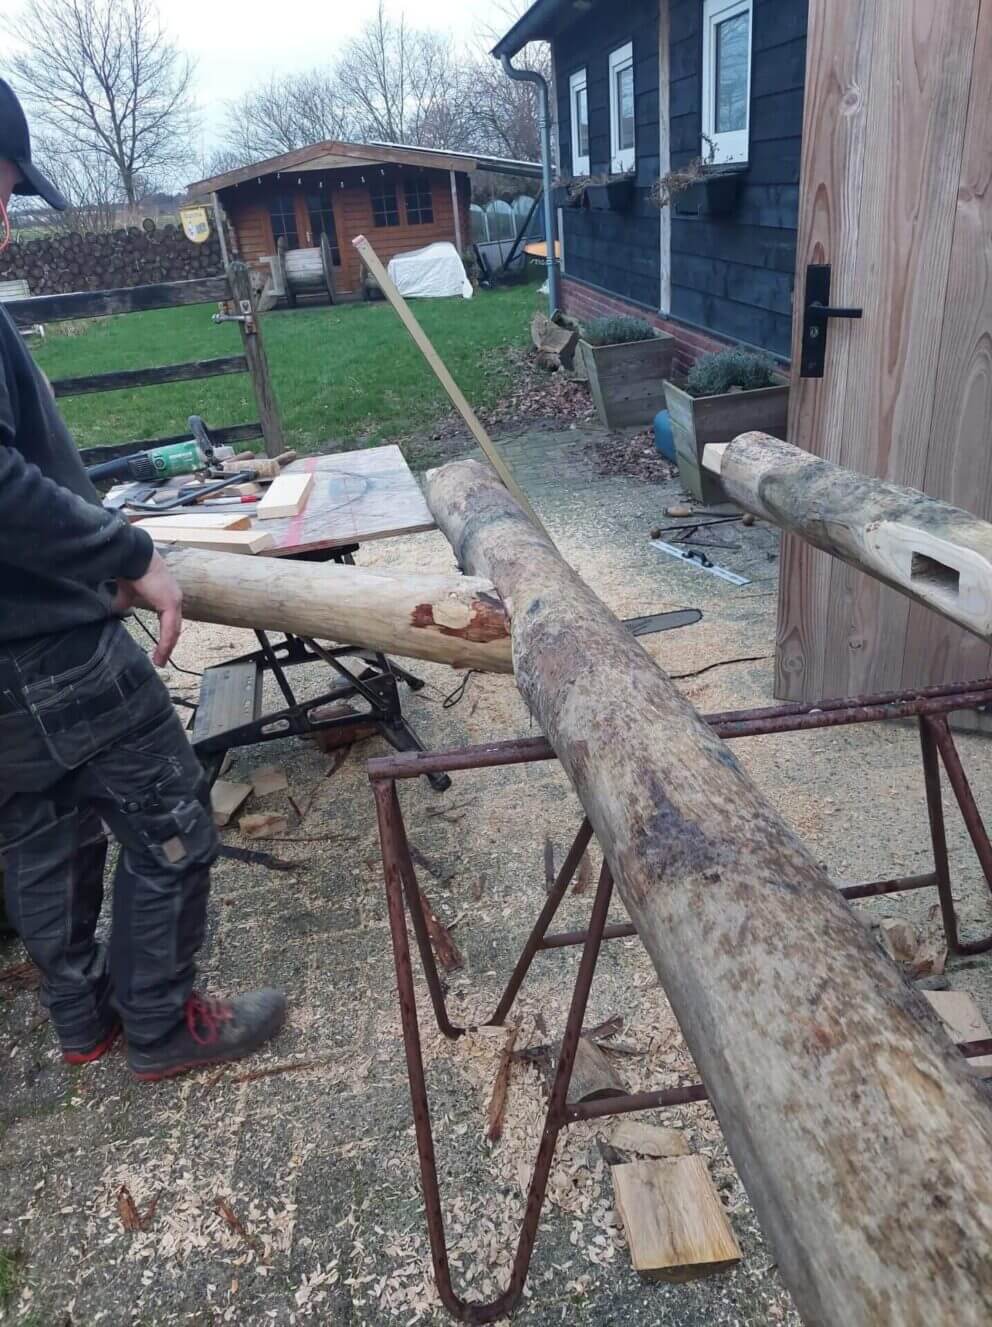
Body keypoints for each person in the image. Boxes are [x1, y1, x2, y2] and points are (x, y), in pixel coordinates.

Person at [0, 80, 286, 1080]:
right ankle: (162, 1025)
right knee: (169, 814)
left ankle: (85, 1024)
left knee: (45, 832)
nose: (1, 222)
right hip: (47, 645)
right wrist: (125, 557)